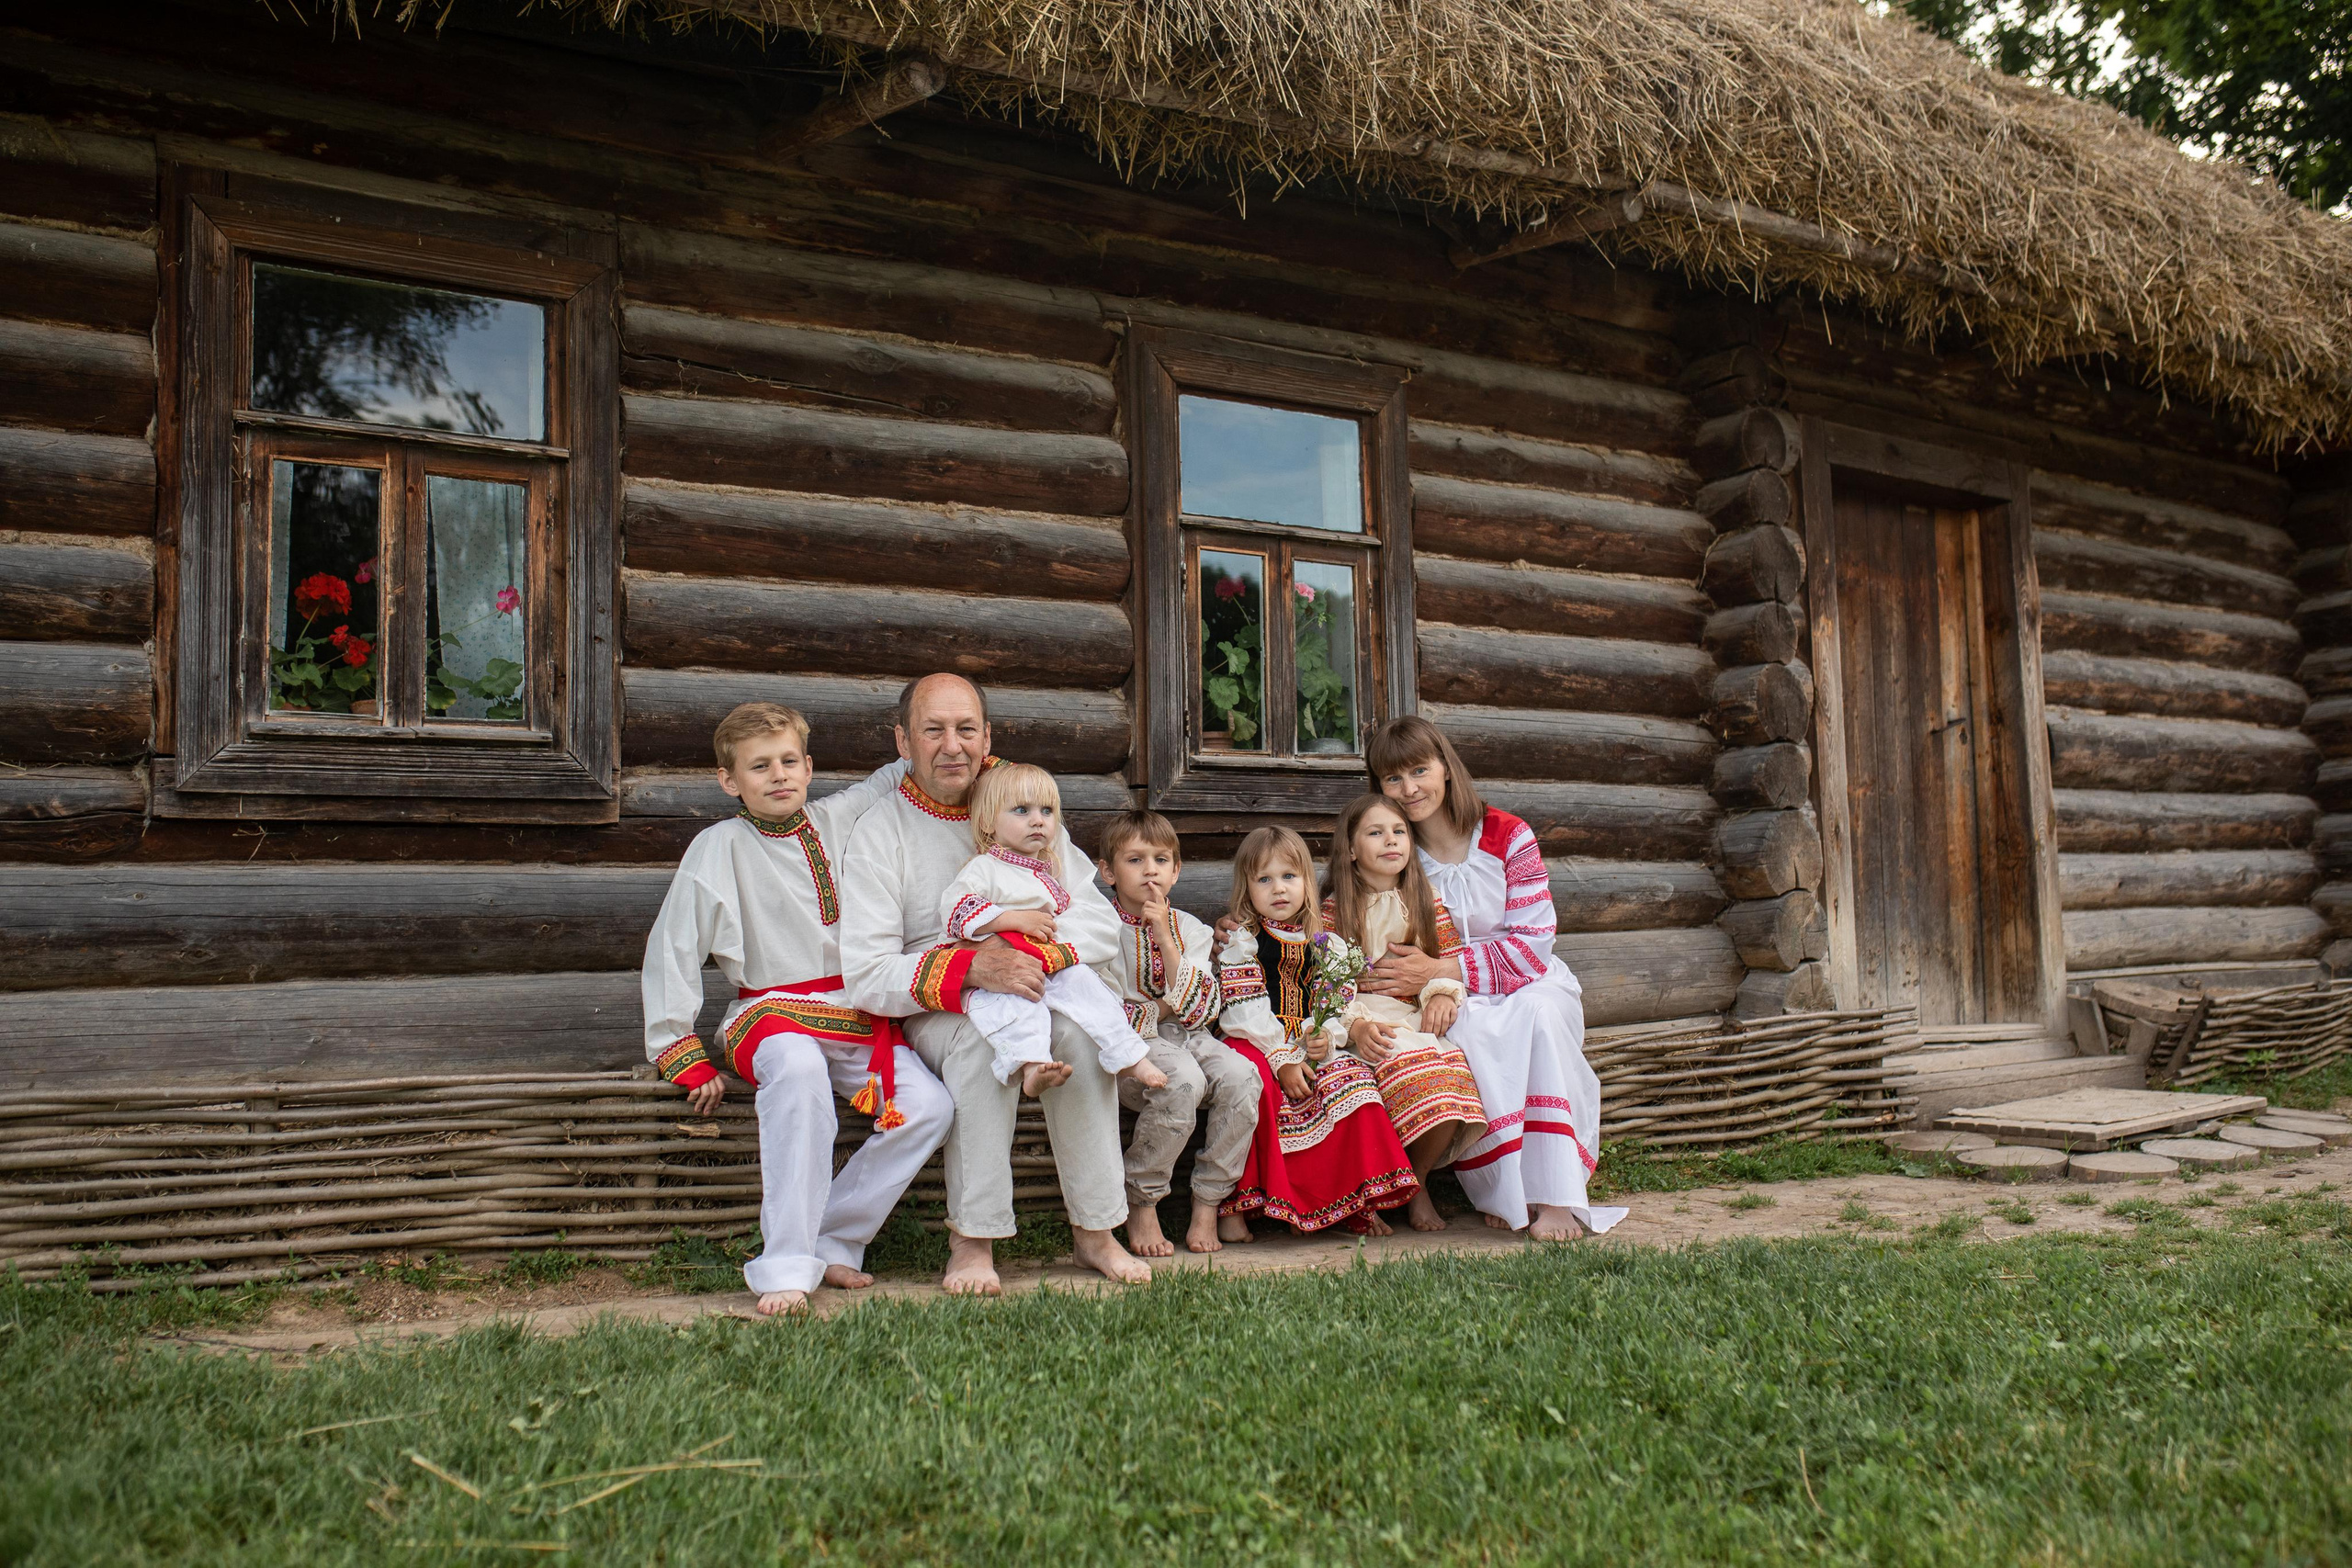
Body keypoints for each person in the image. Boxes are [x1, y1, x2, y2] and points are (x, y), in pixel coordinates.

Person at [839, 673, 1151, 1293]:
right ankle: (973, 1240)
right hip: (941, 1006)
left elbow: (1092, 918)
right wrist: (973, 966)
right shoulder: (880, 831)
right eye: (934, 729)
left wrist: (1038, 955)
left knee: (1083, 1039)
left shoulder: (1021, 806)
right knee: (984, 1046)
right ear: (904, 739)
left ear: (988, 736)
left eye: (966, 729)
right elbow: (869, 974)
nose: (952, 745)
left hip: (1038, 984)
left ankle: (1096, 1230)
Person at [639, 702, 954, 1317]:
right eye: (760, 766)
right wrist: (681, 1049)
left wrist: (952, 746)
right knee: (801, 1069)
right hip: (770, 1014)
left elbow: (891, 776)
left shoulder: (837, 819)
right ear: (731, 781)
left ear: (809, 767)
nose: (778, 774)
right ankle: (784, 1263)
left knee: (929, 1107)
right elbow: (673, 944)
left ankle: (834, 1235)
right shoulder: (717, 846)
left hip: (853, 1010)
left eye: (789, 761)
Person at [1363, 715, 1627, 1240]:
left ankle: (1554, 1196)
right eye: (1393, 779)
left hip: (1529, 979)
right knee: (1469, 1033)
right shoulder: (1396, 851)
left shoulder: (1508, 834)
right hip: (1449, 996)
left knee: (1541, 1018)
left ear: (1446, 768)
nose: (1409, 789)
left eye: (1420, 770)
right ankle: (1508, 1191)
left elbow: (1532, 946)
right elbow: (1345, 903)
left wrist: (1440, 968)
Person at [1216, 826, 1419, 1235]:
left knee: (1354, 1081)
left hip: (1308, 1039)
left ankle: (1351, 1201)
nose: (1279, 889)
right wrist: (1282, 1059)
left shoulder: (1326, 944)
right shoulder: (1244, 941)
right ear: (1247, 888)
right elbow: (1244, 1006)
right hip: (1257, 1037)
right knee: (1262, 1086)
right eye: (1265, 879)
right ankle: (1256, 1205)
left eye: (1290, 877)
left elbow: (1336, 1003)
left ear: (1308, 883)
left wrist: (1326, 1035)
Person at [938, 763, 1167, 1098]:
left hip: (1047, 959)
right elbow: (955, 909)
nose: (1038, 820)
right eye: (1022, 810)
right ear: (988, 822)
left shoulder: (1050, 870)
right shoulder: (985, 867)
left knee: (1089, 987)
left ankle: (1128, 1054)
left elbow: (1081, 917)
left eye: (1047, 811)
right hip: (1002, 967)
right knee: (1019, 1008)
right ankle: (1031, 1065)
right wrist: (1012, 920)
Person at [1091, 808, 1261, 1257]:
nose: (1151, 870)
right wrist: (1168, 1005)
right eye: (1135, 860)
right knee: (1182, 1080)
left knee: (1243, 1078)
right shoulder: (1098, 930)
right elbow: (1110, 1016)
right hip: (1132, 1050)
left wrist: (1166, 937)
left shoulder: (1191, 929)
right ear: (1107, 870)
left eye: (1162, 859)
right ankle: (1142, 1199)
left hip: (1192, 1036)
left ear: (1177, 869)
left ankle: (1208, 1201)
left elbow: (1204, 1007)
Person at [1320, 793, 1487, 1234]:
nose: (1390, 841)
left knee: (1449, 1084)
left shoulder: (1424, 900)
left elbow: (1446, 958)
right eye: (1375, 833)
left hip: (1413, 1017)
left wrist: (1441, 995)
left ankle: (1417, 1182)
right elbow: (1324, 980)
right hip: (1361, 1022)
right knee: (1386, 1079)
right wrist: (1354, 1025)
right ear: (1352, 850)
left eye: (1398, 832)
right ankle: (1376, 1187)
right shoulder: (1335, 911)